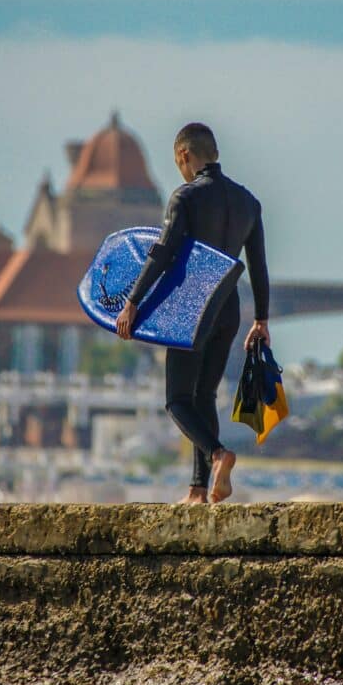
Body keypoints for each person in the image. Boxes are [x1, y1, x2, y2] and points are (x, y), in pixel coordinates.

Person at [116, 122, 270, 505]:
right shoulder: (249, 203)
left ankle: (219, 455)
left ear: (184, 155)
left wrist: (133, 301)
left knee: (177, 400)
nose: (179, 170)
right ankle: (199, 490)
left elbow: (163, 252)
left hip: (192, 306)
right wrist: (261, 321)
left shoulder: (185, 197)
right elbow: (259, 268)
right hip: (229, 307)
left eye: (177, 162)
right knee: (205, 397)